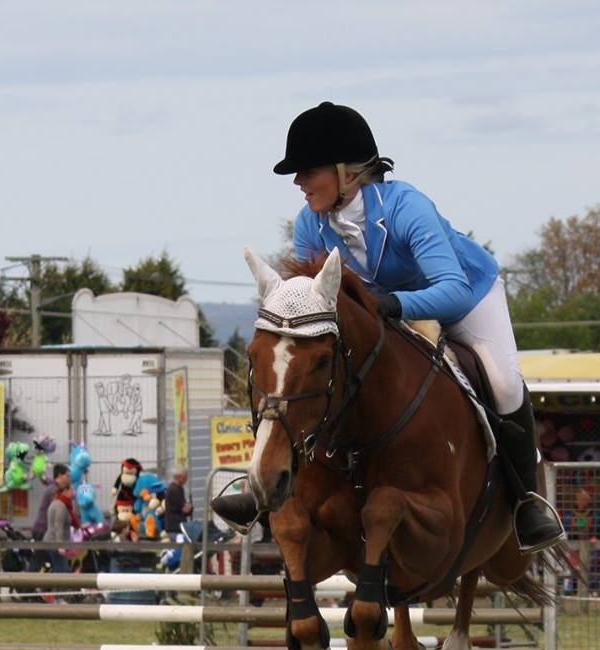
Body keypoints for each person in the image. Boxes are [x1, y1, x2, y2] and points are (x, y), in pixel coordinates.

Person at [210, 102, 563, 550]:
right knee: (311, 380)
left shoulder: (406, 207)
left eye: (308, 171)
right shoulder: (310, 224)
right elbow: (311, 301)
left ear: (347, 172)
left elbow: (451, 287)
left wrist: (389, 304)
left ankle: (526, 500)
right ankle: (266, 490)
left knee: (504, 383)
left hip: (466, 297)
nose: (298, 182)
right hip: (384, 313)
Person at [160, 468, 190, 539]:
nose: (186, 479)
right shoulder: (173, 490)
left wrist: (188, 507)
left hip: (178, 526)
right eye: (185, 477)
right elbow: (183, 507)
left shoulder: (179, 489)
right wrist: (188, 507)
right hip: (174, 527)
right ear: (179, 477)